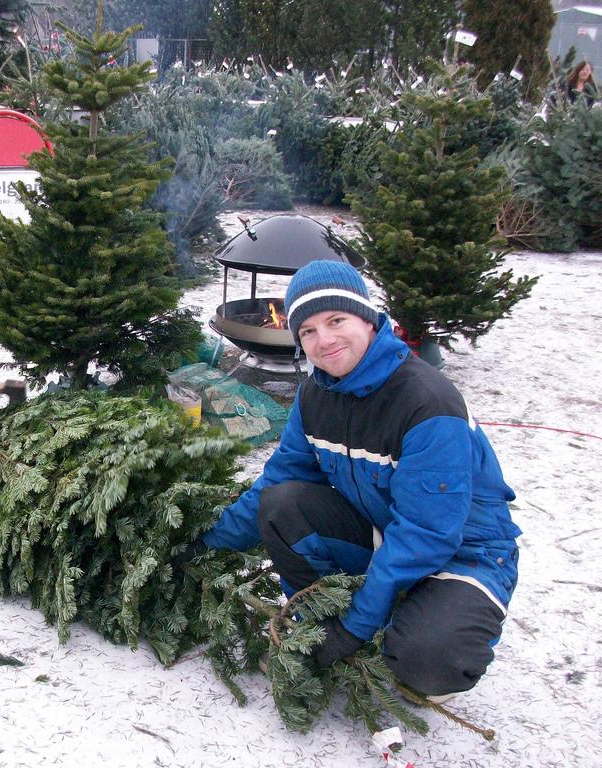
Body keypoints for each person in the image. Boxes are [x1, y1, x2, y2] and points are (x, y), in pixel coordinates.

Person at [196, 260, 520, 700]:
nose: (323, 339)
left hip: (464, 554)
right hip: (384, 532)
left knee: (427, 660)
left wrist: (352, 628)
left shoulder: (426, 403)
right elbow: (279, 479)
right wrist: (205, 543)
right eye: (307, 330)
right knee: (281, 504)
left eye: (335, 320)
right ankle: (335, 614)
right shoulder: (316, 395)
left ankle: (429, 623)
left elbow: (428, 534)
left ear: (367, 319)